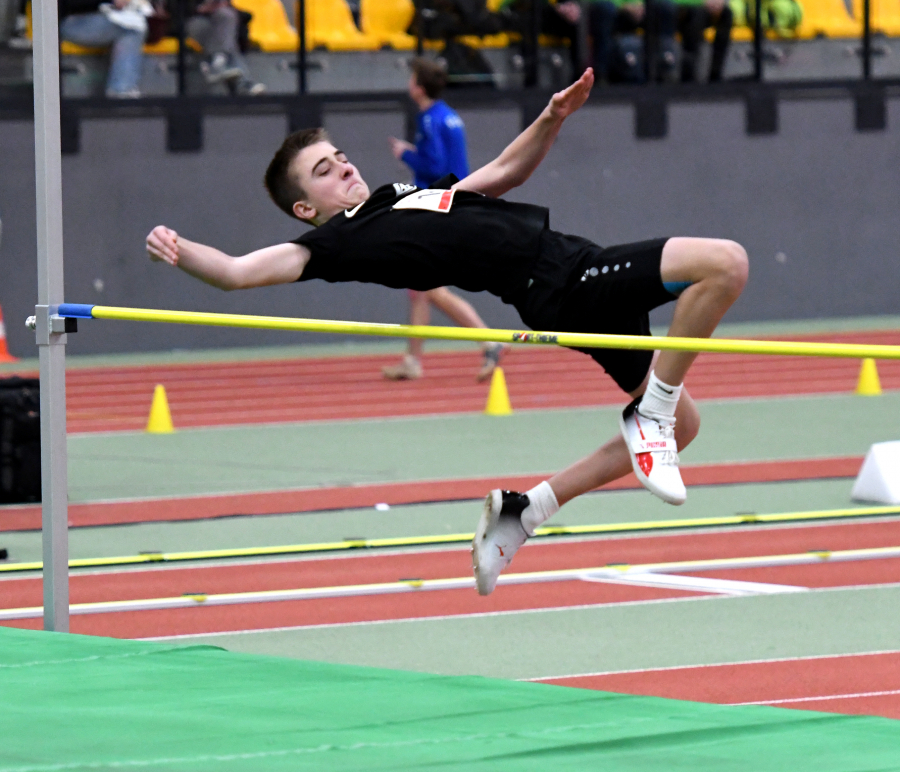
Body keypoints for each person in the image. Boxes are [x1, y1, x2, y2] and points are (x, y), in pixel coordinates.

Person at [145, 68, 749, 596]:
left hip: (570, 266)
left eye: (340, 157)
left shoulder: (396, 198)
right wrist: (179, 249)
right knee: (724, 264)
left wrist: (550, 118)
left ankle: (525, 510)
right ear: (308, 208)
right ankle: (653, 415)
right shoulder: (334, 242)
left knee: (685, 426)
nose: (343, 167)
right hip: (564, 282)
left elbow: (503, 173)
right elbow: (234, 273)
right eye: (323, 172)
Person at [384, 56, 503, 382]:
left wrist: (406, 154)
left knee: (429, 289)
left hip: (437, 207)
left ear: (419, 87)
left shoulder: (428, 120)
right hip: (452, 204)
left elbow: (436, 166)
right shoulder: (448, 116)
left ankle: (490, 341)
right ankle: (413, 359)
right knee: (419, 289)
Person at [59, 0, 149, 98]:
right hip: (69, 21)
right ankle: (121, 91)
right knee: (131, 29)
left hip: (109, 17)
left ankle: (122, 91)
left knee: (132, 27)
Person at [181, 0, 266, 95]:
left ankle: (217, 64)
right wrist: (200, 9)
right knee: (225, 39)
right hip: (192, 20)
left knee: (226, 15)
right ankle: (242, 82)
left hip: (218, 22)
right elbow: (175, 10)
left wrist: (220, 6)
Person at [675, 0, 733, 82]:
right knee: (696, 15)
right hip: (683, 8)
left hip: (704, 7)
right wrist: (701, 2)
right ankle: (688, 77)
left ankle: (715, 75)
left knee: (726, 13)